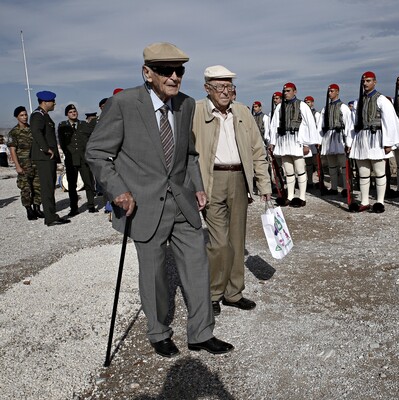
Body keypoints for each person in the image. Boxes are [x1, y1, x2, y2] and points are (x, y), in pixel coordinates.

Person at [86, 42, 233, 357]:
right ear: (147, 73)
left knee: (197, 267)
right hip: (143, 206)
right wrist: (118, 190)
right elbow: (97, 153)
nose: (174, 76)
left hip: (182, 203)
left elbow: (190, 154)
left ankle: (201, 333)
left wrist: (196, 186)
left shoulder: (187, 104)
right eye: (166, 70)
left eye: (179, 70)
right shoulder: (123, 103)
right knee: (153, 275)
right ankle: (159, 332)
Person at [192, 65, 271, 317]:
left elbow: (258, 150)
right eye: (220, 87)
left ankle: (234, 293)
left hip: (239, 178)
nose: (226, 92)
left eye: (229, 87)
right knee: (218, 243)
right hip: (212, 180)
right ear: (207, 89)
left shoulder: (242, 112)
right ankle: (214, 293)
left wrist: (264, 184)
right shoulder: (195, 112)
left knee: (237, 239)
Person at [347, 71, 399, 213]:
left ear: (374, 82)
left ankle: (380, 201)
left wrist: (388, 143)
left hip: (376, 137)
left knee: (379, 171)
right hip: (361, 139)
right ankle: (365, 200)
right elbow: (352, 124)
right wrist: (350, 143)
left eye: (368, 81)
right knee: (363, 172)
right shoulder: (357, 102)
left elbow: (389, 122)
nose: (365, 84)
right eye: (364, 81)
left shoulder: (382, 100)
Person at [269, 82, 320, 207]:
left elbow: (310, 125)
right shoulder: (279, 107)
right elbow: (274, 125)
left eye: (289, 91)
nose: (286, 93)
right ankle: (290, 196)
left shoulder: (302, 105)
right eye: (285, 91)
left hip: (297, 140)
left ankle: (302, 197)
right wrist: (272, 142)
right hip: (284, 141)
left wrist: (307, 144)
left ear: (295, 91)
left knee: (300, 169)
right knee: (288, 170)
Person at [30, 90, 71, 226]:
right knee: (47, 187)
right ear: (45, 102)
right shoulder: (38, 115)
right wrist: (45, 148)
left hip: (48, 157)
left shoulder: (44, 115)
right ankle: (50, 217)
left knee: (50, 186)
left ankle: (52, 214)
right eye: (53, 101)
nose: (54, 103)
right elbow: (36, 131)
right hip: (44, 157)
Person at [57, 104, 97, 215]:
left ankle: (91, 205)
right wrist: (68, 154)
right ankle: (74, 208)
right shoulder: (62, 126)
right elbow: (62, 143)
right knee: (72, 185)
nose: (73, 113)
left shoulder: (84, 125)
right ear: (66, 114)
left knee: (89, 182)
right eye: (70, 112)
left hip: (84, 159)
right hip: (71, 159)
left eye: (74, 111)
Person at [7, 106, 44, 220]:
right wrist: (17, 166)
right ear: (17, 117)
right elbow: (12, 150)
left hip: (36, 163)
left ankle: (37, 208)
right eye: (21, 115)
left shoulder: (32, 129)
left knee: (38, 187)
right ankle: (29, 209)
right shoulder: (14, 132)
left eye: (25, 114)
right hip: (24, 164)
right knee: (26, 188)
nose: (24, 117)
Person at [318, 83, 353, 196]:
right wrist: (319, 141)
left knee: (343, 165)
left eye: (332, 91)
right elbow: (320, 126)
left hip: (340, 136)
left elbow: (348, 125)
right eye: (329, 91)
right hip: (328, 137)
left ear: (337, 92)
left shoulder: (343, 107)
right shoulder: (325, 109)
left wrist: (349, 142)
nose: (330, 93)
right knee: (331, 165)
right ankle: (333, 187)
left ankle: (345, 187)